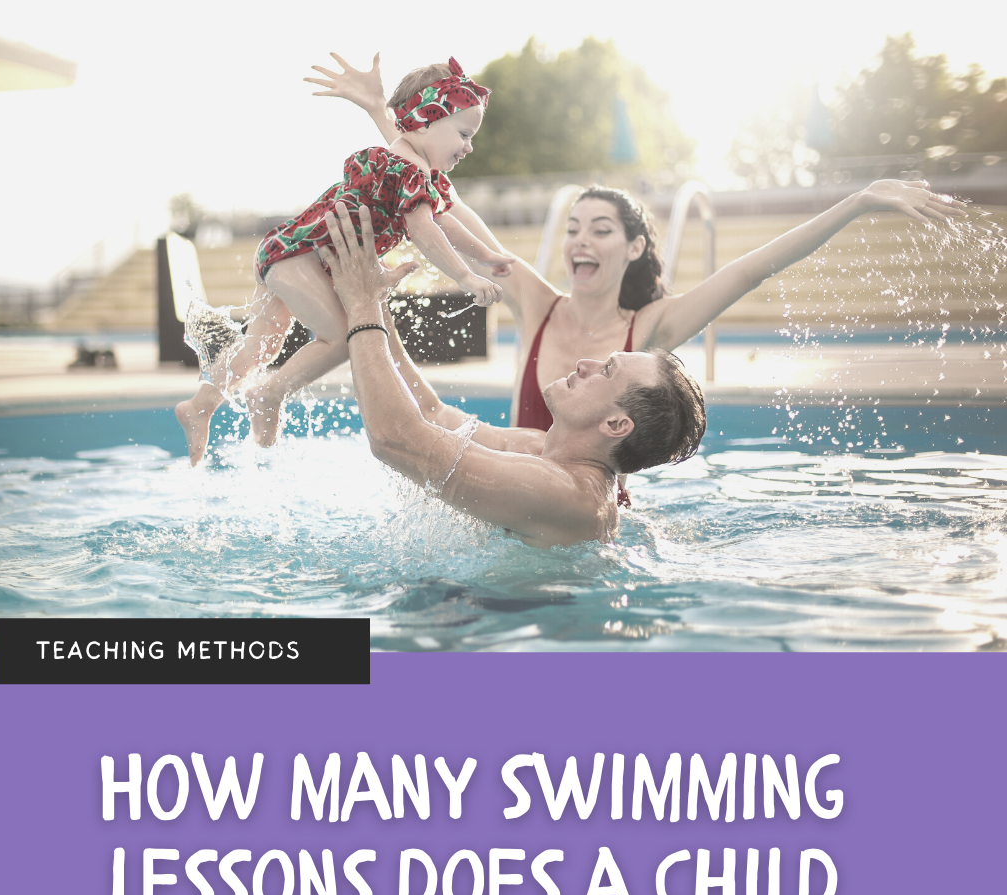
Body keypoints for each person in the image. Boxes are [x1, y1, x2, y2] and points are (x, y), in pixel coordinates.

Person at [307, 53, 967, 430]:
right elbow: (442, 200)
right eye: (572, 229)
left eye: (599, 230)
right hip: (502, 500)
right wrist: (383, 116)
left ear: (632, 248)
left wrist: (853, 204)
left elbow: (750, 270)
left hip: (578, 525)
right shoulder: (535, 305)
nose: (579, 242)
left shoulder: (649, 331)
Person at [175, 57, 513, 466]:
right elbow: (426, 231)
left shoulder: (416, 171)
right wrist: (464, 276)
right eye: (463, 133)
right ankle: (268, 395)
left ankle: (200, 405)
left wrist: (488, 256)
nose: (469, 146)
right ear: (425, 121)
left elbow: (445, 222)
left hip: (286, 252)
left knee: (262, 345)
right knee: (341, 340)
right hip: (300, 257)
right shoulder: (404, 168)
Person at [318, 200, 705, 547]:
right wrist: (375, 300)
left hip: (507, 618)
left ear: (617, 425)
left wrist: (361, 304)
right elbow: (432, 415)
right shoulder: (543, 450)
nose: (586, 364)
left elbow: (396, 441)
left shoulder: (563, 493)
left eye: (606, 370)